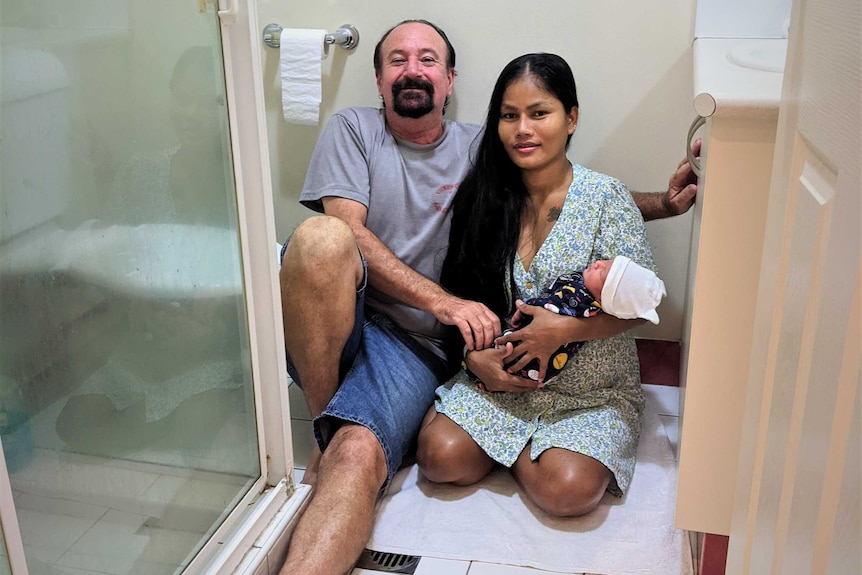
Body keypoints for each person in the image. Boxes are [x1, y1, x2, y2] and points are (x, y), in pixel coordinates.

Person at [278, 20, 699, 574]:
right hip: (382, 324)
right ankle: (326, 431)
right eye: (397, 60)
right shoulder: (389, 145)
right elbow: (400, 258)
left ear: (450, 80)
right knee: (319, 241)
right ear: (378, 78)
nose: (522, 129)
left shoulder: (503, 161)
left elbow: (589, 207)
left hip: (502, 367)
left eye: (428, 59)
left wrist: (664, 207)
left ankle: (382, 446)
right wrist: (459, 328)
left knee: (550, 487)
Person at [416, 52, 661, 517]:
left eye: (539, 113)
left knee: (567, 492)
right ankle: (528, 451)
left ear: (571, 119)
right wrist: (474, 359)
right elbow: (462, 297)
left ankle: (522, 454)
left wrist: (564, 331)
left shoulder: (607, 197)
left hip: (591, 392)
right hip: (504, 378)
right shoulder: (485, 197)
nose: (522, 129)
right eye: (510, 116)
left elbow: (645, 306)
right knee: (438, 459)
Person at [471, 255, 666, 385]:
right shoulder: (582, 285)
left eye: (603, 272)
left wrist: (524, 308)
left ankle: (482, 374)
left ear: (603, 298)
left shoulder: (581, 302)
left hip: (537, 363)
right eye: (606, 261)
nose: (598, 263)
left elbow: (546, 307)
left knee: (507, 354)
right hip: (540, 366)